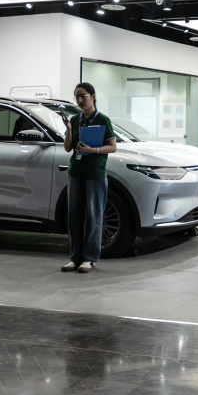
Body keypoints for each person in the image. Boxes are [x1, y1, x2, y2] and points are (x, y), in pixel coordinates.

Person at [61, 82, 117, 273]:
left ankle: (90, 258)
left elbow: (113, 146)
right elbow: (68, 147)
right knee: (74, 217)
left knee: (94, 217)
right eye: (76, 96)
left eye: (83, 96)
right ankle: (75, 257)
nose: (79, 100)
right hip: (75, 173)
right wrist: (69, 129)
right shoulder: (75, 119)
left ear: (93, 96)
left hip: (95, 174)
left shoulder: (102, 119)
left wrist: (92, 150)